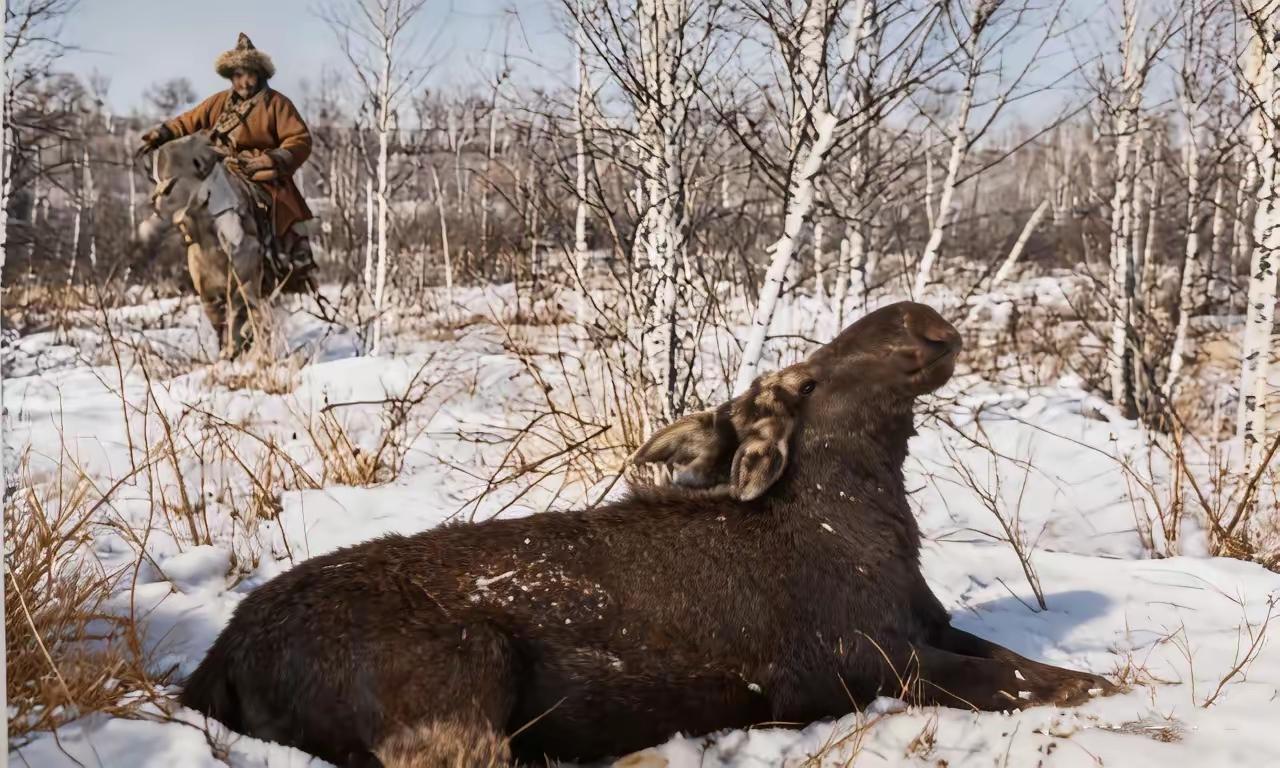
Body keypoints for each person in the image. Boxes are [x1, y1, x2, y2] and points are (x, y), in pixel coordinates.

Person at [140, 32, 317, 293]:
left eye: (248, 74)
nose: (243, 81)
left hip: (260, 171)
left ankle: (294, 260)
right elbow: (191, 119)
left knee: (286, 205)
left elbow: (299, 139)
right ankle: (187, 262)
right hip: (219, 166)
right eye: (237, 75)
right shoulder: (220, 102)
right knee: (182, 200)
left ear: (259, 74)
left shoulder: (277, 104)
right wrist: (163, 133)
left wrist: (272, 158)